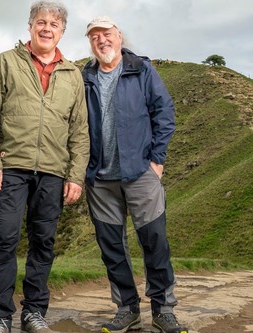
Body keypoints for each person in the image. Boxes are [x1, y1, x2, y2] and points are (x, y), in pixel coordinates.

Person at [0, 2, 89, 333]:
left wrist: (76, 176)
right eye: (41, 22)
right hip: (10, 167)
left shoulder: (72, 74)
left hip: (54, 172)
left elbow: (80, 131)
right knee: (5, 238)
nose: (47, 28)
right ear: (30, 26)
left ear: (62, 32)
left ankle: (33, 313)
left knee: (43, 242)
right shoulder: (7, 62)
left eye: (55, 24)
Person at [82, 16, 188, 333]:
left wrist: (156, 161)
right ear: (90, 43)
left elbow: (164, 112)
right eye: (95, 36)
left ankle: (163, 310)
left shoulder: (141, 69)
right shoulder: (84, 77)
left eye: (107, 34)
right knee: (112, 248)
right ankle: (127, 309)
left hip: (141, 173)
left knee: (154, 242)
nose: (102, 40)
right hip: (101, 179)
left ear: (119, 37)